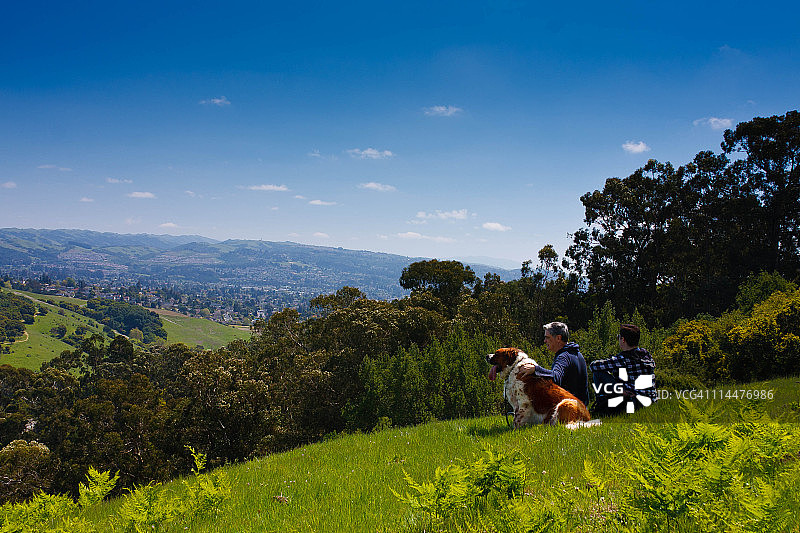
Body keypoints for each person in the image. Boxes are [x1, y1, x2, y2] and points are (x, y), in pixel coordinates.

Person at [589, 324, 657, 414]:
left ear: (623, 340)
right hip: (651, 400)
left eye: (619, 337)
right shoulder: (646, 355)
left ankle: (601, 404)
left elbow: (593, 366)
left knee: (598, 373)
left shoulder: (623, 358)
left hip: (634, 401)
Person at [519, 321, 589, 406]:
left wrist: (535, 369)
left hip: (570, 410)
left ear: (558, 338)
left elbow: (555, 378)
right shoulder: (576, 354)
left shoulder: (563, 357)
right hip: (581, 407)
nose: (545, 341)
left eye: (547, 337)